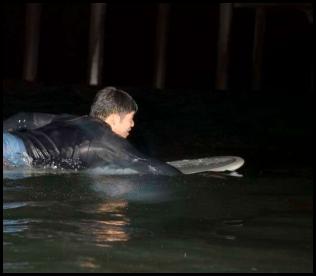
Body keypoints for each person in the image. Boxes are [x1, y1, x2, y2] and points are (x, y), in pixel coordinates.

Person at [3, 86, 180, 176]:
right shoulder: (106, 139)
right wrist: (193, 179)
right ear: (115, 117)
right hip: (13, 152)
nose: (132, 125)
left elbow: (23, 117)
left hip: (10, 142)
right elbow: (146, 164)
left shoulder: (72, 119)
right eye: (130, 118)